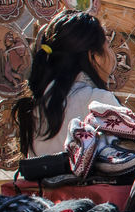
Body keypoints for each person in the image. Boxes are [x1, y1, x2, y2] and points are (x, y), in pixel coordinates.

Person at [14, 11, 119, 158]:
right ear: (93, 56)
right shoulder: (98, 101)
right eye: (108, 46)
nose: (111, 54)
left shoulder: (38, 102)